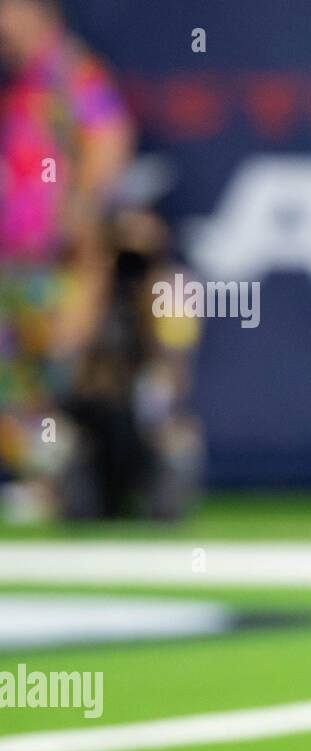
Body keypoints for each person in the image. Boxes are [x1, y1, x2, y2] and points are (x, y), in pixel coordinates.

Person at [0, 0, 133, 520]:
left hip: (56, 261)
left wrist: (80, 213)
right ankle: (41, 480)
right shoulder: (22, 78)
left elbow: (109, 140)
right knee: (18, 377)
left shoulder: (67, 73)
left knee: (55, 366)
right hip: (18, 261)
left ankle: (61, 484)